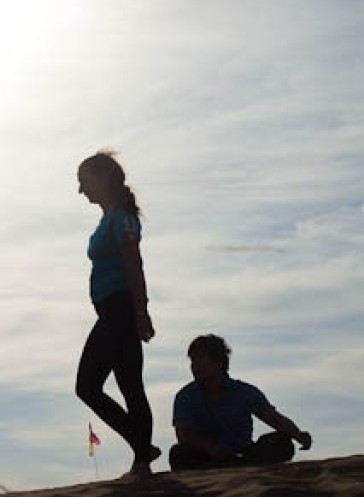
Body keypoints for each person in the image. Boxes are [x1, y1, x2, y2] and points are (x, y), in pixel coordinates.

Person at [75, 151, 159, 478]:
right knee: (129, 384)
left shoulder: (121, 218)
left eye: (84, 182)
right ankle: (142, 457)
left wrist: (141, 312)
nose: (81, 190)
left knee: (89, 386)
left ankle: (142, 450)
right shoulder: (109, 217)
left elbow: (134, 264)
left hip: (119, 308)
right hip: (112, 308)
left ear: (103, 178)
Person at [170, 334, 312, 471]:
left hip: (245, 452)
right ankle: (221, 466)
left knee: (282, 442)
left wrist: (297, 434)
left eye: (200, 359)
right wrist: (212, 449)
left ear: (218, 362)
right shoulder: (186, 396)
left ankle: (243, 465)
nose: (194, 365)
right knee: (179, 453)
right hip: (206, 455)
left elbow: (272, 417)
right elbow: (184, 434)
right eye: (192, 360)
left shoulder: (244, 392)